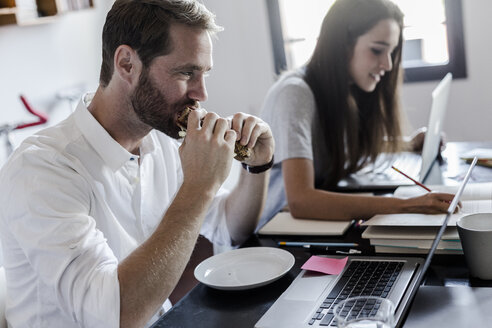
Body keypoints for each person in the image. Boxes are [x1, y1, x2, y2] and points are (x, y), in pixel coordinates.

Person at [0, 1, 274, 327]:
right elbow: (116, 316)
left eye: (205, 74)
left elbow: (230, 228)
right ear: (127, 64)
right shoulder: (42, 170)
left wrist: (256, 166)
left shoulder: (161, 139)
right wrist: (199, 186)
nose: (201, 94)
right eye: (187, 73)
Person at [258, 0, 454, 228]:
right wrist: (407, 204)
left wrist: (408, 144)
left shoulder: (343, 88)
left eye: (391, 52)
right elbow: (301, 201)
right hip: (272, 232)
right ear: (341, 44)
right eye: (377, 50)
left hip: (307, 225)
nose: (388, 64)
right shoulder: (294, 93)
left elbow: (341, 146)